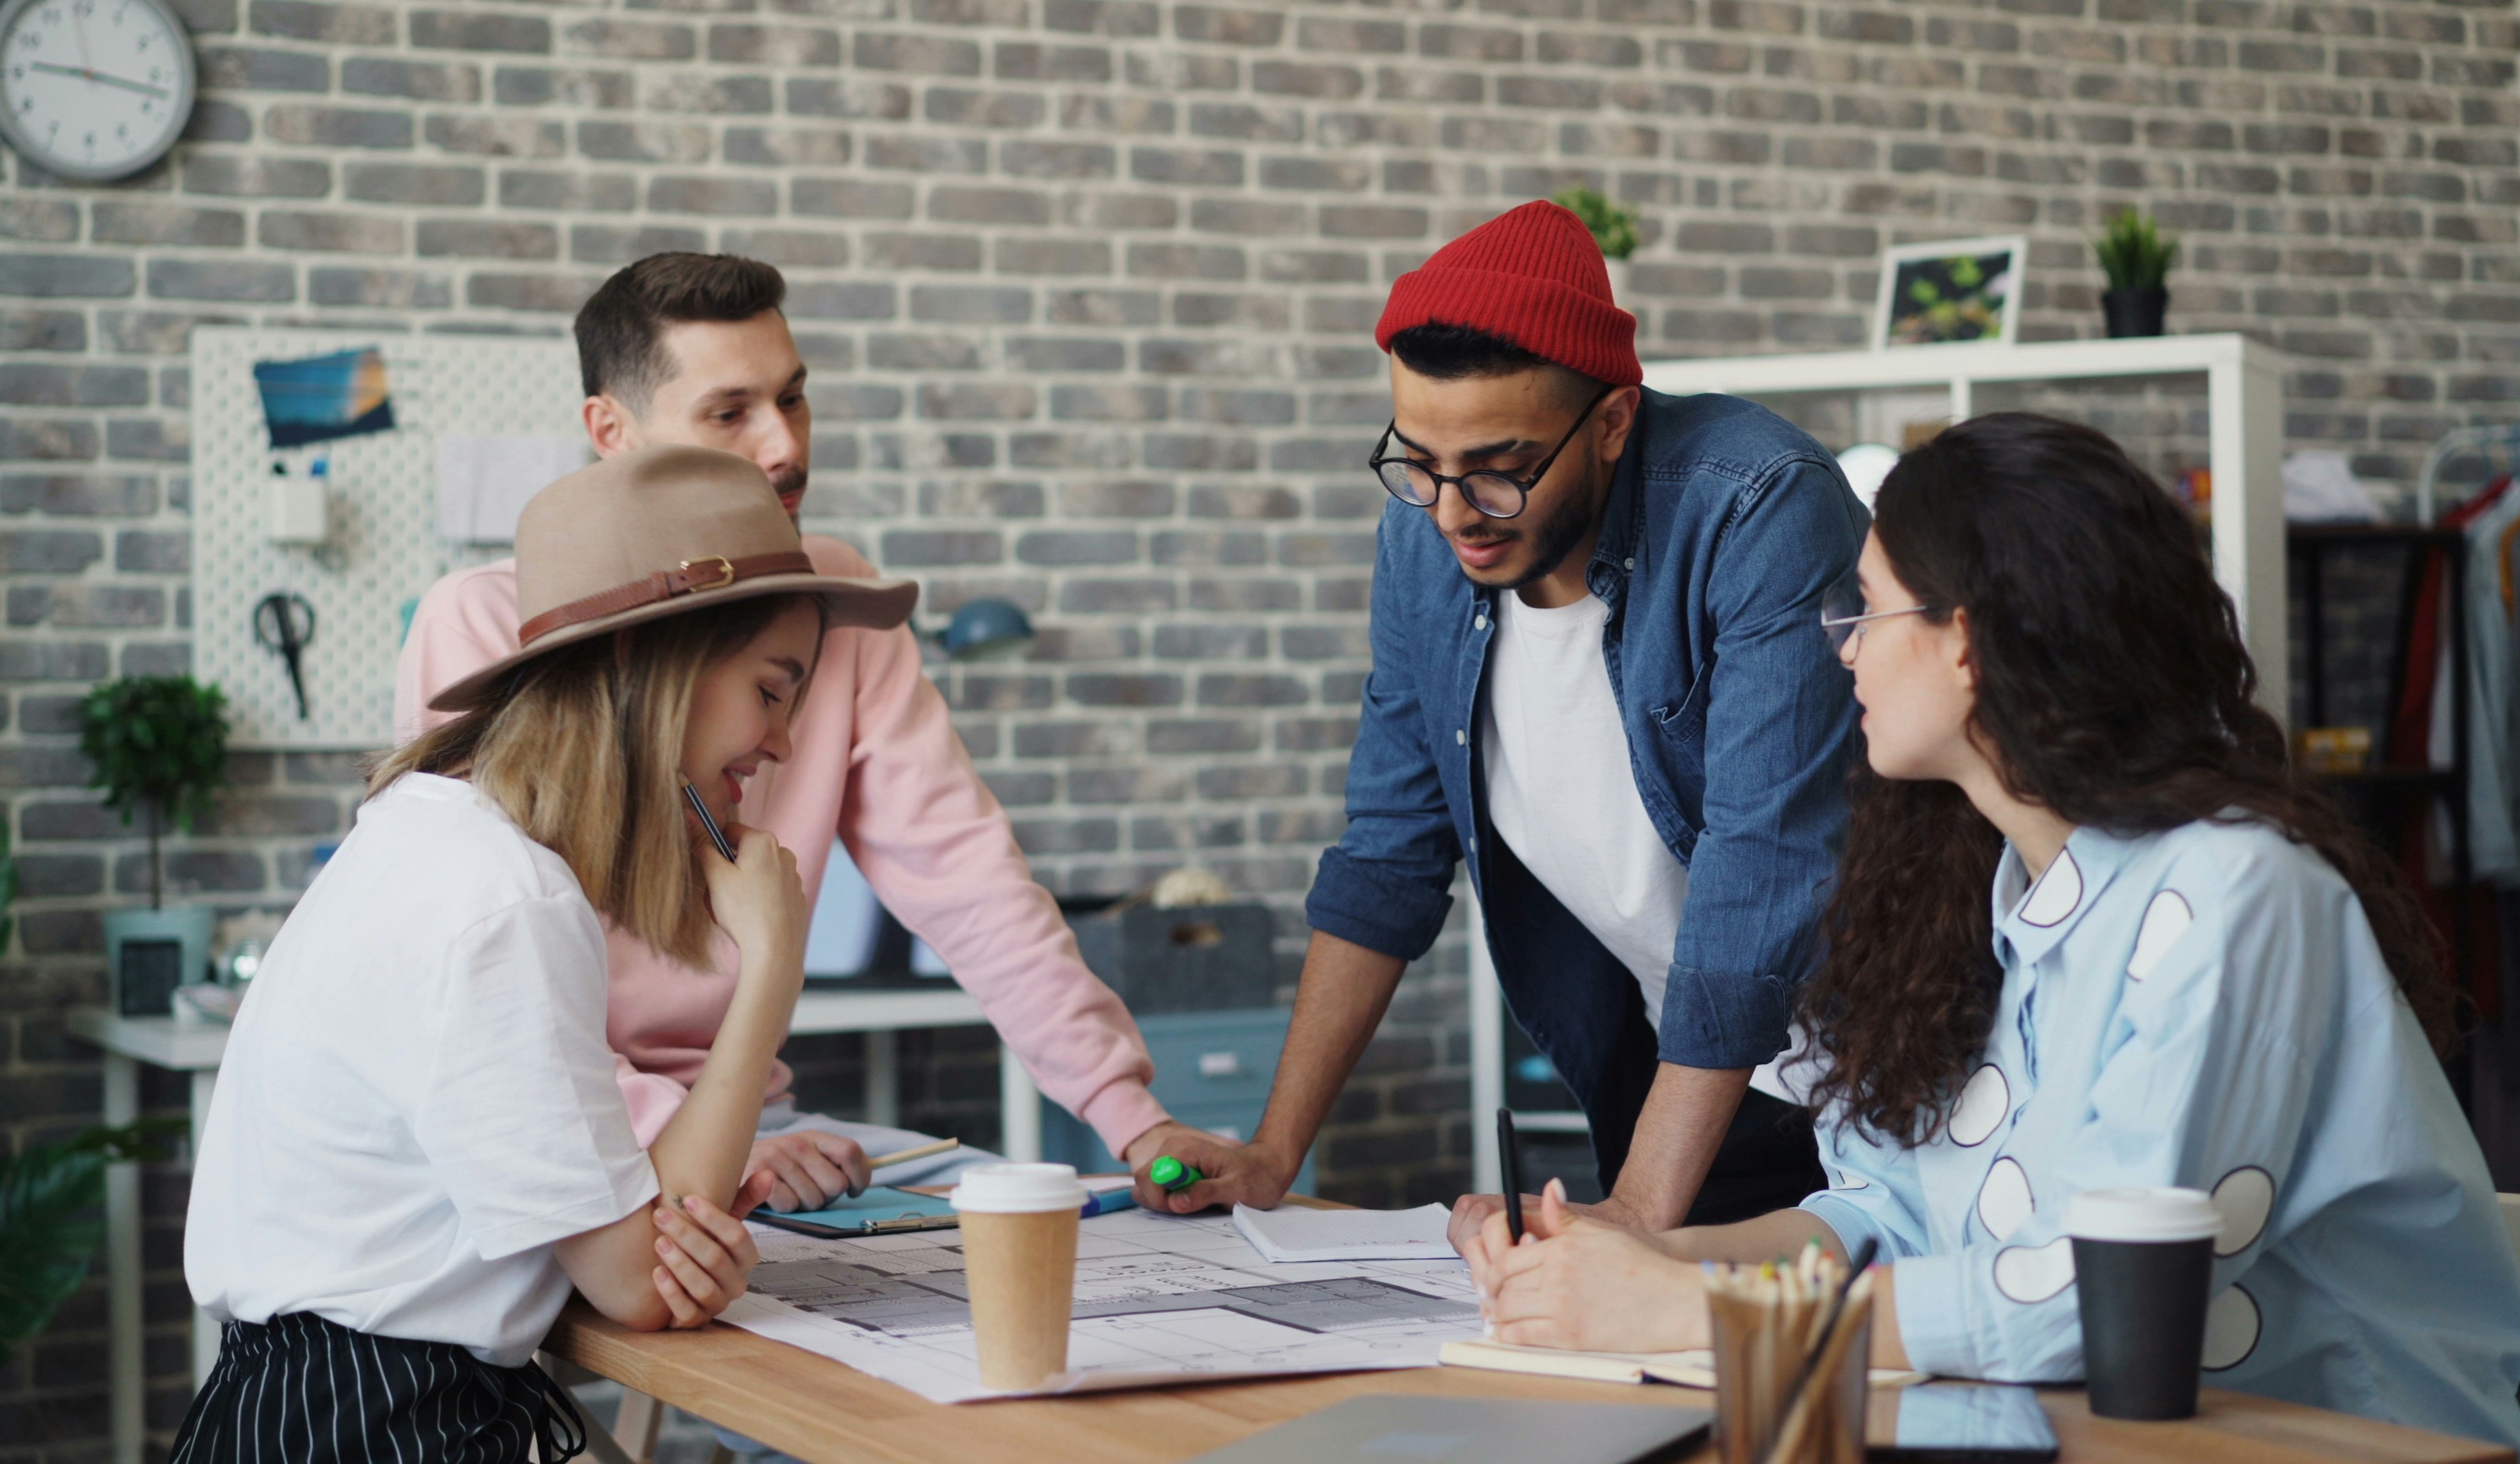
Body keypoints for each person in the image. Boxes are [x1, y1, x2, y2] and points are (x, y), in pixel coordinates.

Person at [1472, 413, 2520, 1447]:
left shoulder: (2234, 896)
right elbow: (1888, 1215)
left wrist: (1678, 1313)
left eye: (1865, 613)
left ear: (1963, 640)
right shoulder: (1980, 885)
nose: (1841, 655)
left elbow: (2093, 1299)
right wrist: (1640, 1263)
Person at [395, 253, 1223, 1214]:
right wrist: (683, 1135)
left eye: (795, 399)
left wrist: (1130, 1114)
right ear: (611, 431)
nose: (784, 446)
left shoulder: (842, 604)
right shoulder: (486, 629)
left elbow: (969, 877)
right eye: (730, 412)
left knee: (998, 1217)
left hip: (750, 1116)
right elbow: (489, 994)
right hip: (554, 1119)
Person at [1138, 200, 1866, 1240]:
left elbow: (1759, 879)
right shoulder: (1430, 529)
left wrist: (1641, 1211)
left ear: (1612, 421)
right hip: (1689, 1078)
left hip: (1895, 1072)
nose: (1449, 511)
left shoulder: (1755, 505)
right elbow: (1390, 852)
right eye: (1420, 461)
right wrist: (1270, 1153)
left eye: (1499, 469)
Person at [176, 447, 920, 1460]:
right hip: (379, 1430)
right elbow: (645, 1283)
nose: (783, 742)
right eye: (772, 689)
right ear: (652, 670)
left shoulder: (431, 837)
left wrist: (655, 1237)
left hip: (336, 1412)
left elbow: (625, 1245)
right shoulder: (506, 901)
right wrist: (770, 970)